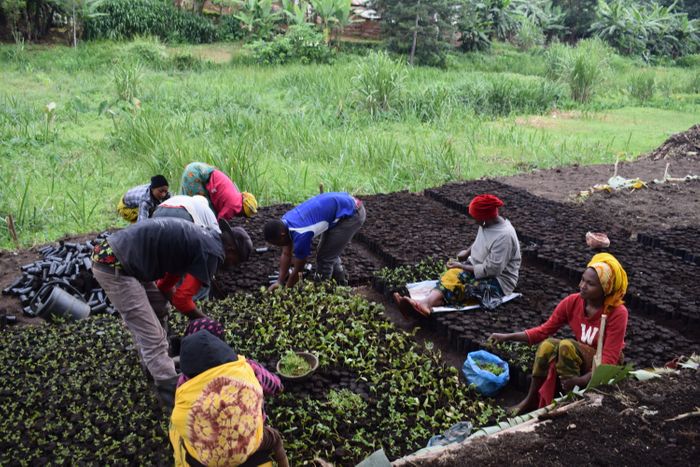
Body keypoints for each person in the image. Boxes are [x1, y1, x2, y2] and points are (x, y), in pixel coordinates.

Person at [91, 217, 253, 412]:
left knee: (159, 305)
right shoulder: (212, 252)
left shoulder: (202, 240)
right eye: (236, 262)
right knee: (153, 336)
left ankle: (157, 364)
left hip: (122, 255)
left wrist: (186, 311)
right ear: (232, 250)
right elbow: (183, 300)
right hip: (116, 265)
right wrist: (207, 324)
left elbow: (165, 286)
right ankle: (173, 398)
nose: (232, 266)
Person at [489, 252, 629, 415]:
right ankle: (531, 399)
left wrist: (581, 381)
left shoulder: (617, 312)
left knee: (566, 346)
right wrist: (507, 337)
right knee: (547, 345)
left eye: (590, 284)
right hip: (583, 357)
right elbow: (543, 331)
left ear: (605, 288)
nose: (582, 285)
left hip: (603, 366)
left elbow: (609, 360)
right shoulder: (573, 302)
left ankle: (569, 402)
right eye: (583, 279)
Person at [169, 330, 289, 467]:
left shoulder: (184, 383)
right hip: (247, 441)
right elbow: (274, 385)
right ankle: (284, 463)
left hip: (207, 457)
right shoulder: (245, 368)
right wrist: (279, 388)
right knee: (274, 438)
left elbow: (180, 410)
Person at [393, 194, 521, 318]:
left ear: (485, 217)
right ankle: (422, 305)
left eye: (476, 217)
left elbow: (491, 270)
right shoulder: (487, 223)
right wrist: (467, 253)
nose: (474, 220)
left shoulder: (504, 236)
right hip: (479, 267)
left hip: (499, 282)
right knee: (453, 275)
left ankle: (422, 304)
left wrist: (462, 266)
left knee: (465, 287)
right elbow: (482, 240)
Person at [263, 192, 366, 289]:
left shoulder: (301, 235)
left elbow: (298, 270)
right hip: (340, 207)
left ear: (282, 235)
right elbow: (286, 254)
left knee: (325, 258)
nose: (279, 247)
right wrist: (280, 281)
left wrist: (286, 291)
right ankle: (341, 282)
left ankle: (322, 290)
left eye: (277, 244)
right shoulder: (285, 222)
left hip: (352, 214)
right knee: (328, 251)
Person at [152, 195, 222, 305]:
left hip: (158, 213)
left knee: (166, 261)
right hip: (183, 214)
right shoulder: (206, 211)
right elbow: (217, 241)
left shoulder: (181, 198)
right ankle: (195, 302)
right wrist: (211, 269)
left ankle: (161, 298)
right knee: (195, 268)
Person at [180, 162, 258, 221]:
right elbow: (220, 220)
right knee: (204, 211)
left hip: (198, 168)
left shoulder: (236, 196)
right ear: (243, 211)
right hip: (194, 174)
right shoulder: (234, 206)